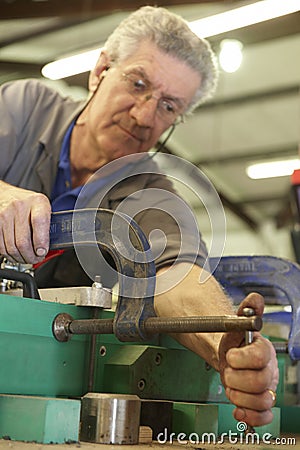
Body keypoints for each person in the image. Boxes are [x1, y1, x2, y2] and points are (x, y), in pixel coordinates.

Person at [0, 6, 278, 427]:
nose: (145, 116)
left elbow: (175, 273)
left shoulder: (150, 192)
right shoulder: (22, 110)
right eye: (139, 84)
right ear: (100, 70)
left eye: (169, 106)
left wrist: (227, 344)